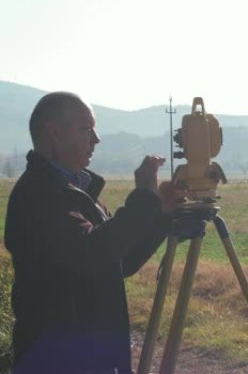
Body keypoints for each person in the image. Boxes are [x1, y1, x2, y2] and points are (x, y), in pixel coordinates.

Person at [4, 91, 175, 374]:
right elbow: (92, 253)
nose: (96, 139)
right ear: (54, 132)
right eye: (87, 129)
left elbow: (119, 261)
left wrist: (160, 213)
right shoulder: (38, 195)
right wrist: (143, 198)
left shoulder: (77, 192)